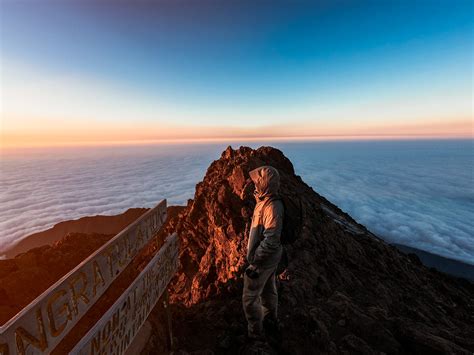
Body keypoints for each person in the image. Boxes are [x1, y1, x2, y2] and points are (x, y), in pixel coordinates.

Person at [243, 165, 284, 340]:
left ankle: (256, 333)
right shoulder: (265, 201)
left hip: (263, 261)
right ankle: (270, 320)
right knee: (268, 290)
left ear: (264, 183)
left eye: (257, 182)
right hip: (269, 259)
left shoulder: (272, 207)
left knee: (250, 298)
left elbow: (271, 240)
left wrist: (256, 262)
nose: (254, 185)